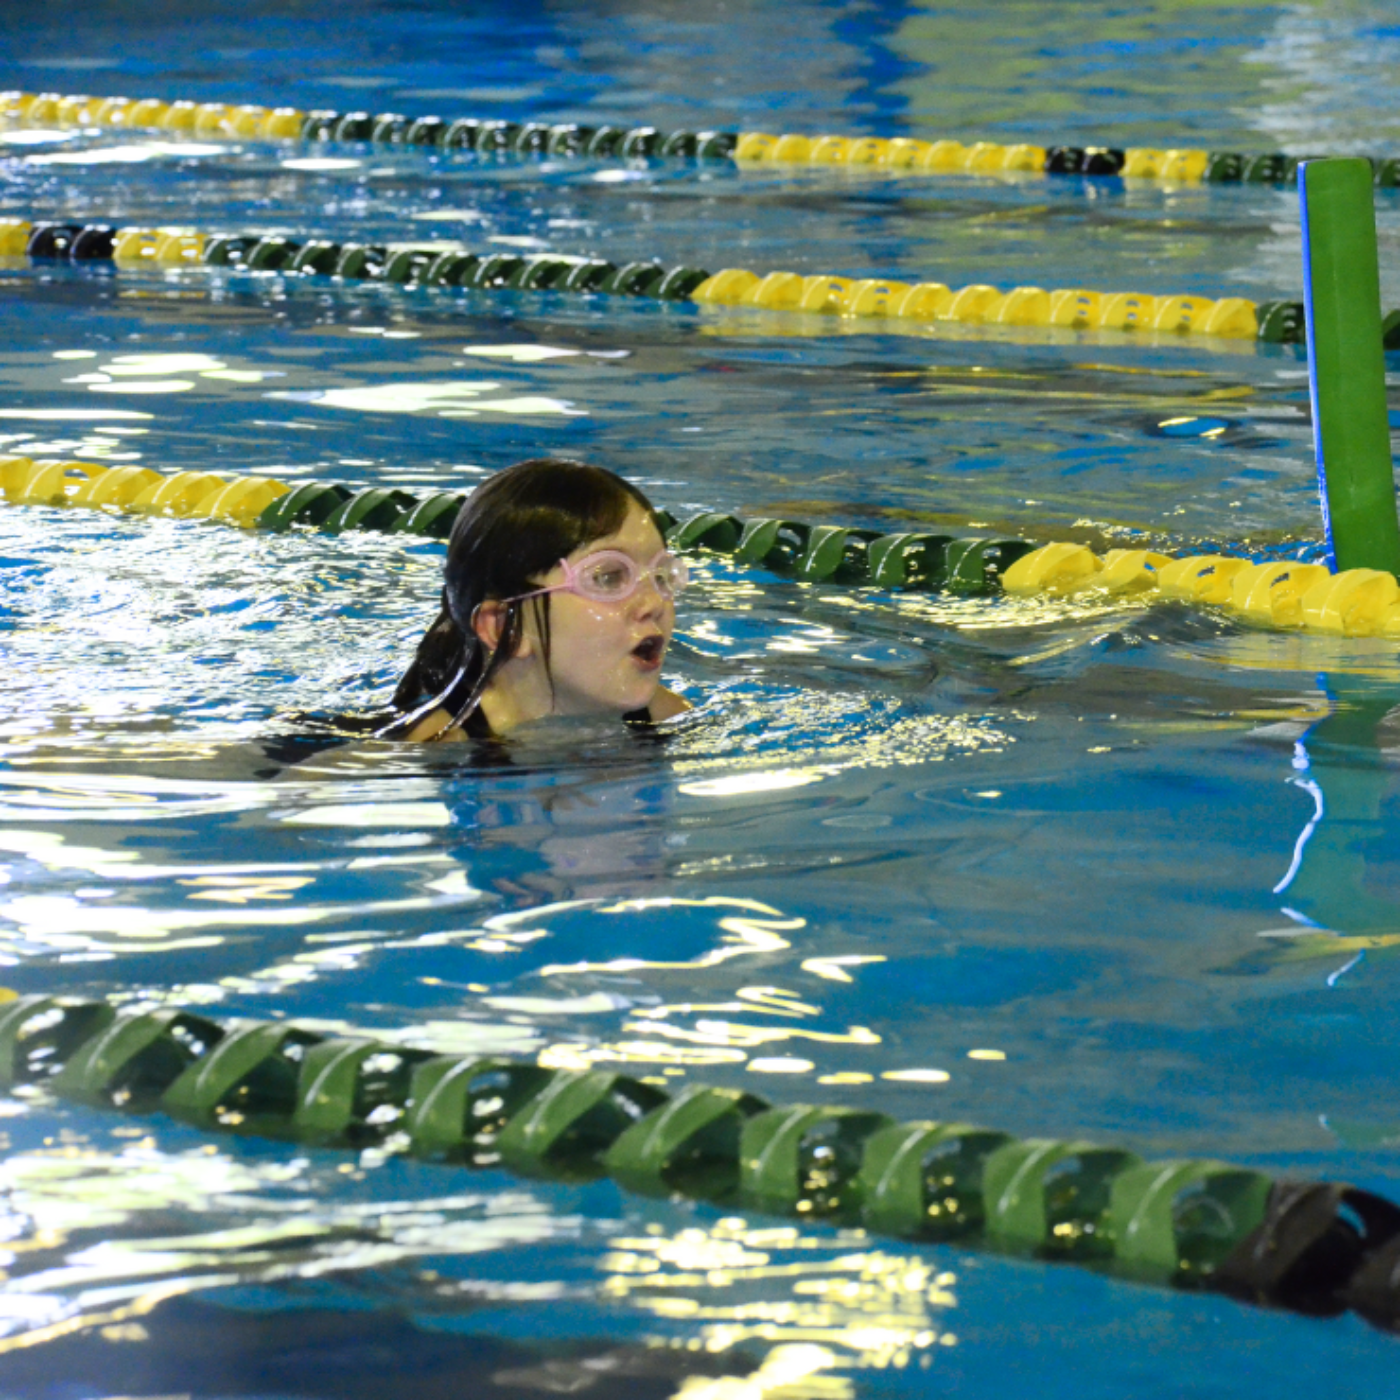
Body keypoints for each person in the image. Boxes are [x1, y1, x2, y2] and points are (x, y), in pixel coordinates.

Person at [379, 457, 691, 742]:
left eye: (661, 574)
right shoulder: (427, 748)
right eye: (608, 578)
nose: (654, 603)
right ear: (504, 628)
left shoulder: (667, 718)